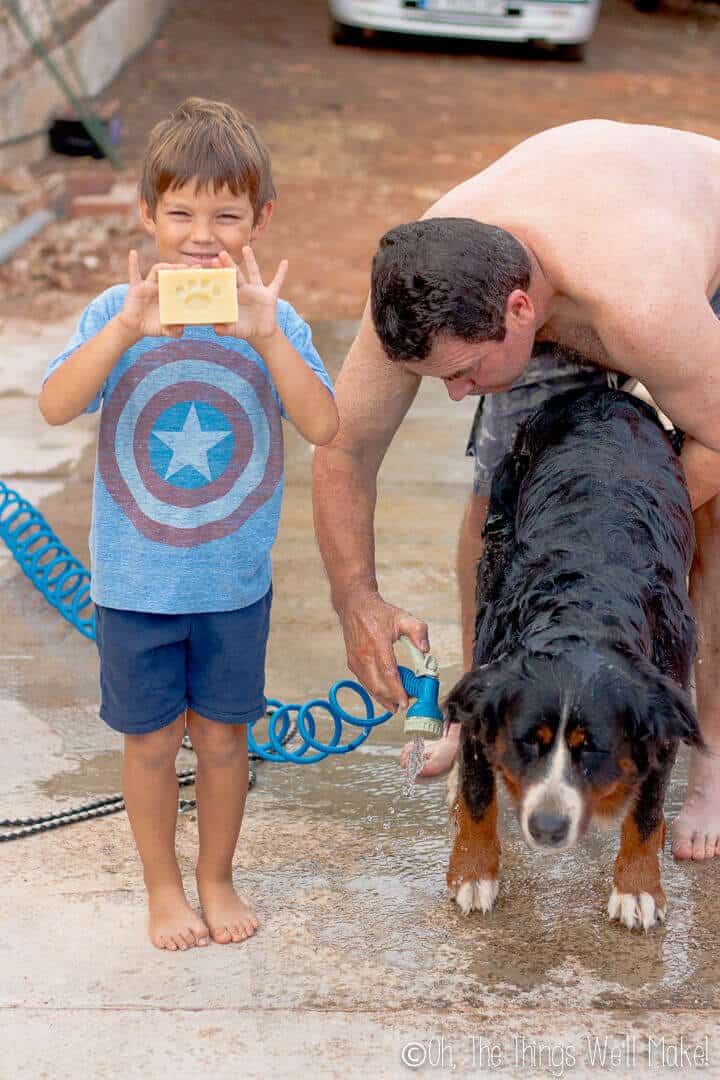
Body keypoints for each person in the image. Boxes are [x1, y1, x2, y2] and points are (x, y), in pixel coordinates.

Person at [311, 119, 720, 862]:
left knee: (706, 534)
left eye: (466, 372)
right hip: (567, 250)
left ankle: (714, 761)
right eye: (440, 376)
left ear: (520, 312)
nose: (456, 396)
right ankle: (488, 707)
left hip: (688, 247)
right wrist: (355, 599)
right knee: (501, 503)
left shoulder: (645, 307)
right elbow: (344, 447)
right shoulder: (422, 284)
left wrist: (613, 534)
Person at [39, 97, 338, 951]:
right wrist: (128, 327)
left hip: (232, 582)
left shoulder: (277, 324)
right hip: (135, 579)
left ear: (261, 220)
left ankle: (217, 876)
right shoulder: (113, 311)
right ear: (146, 214)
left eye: (227, 215)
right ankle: (162, 888)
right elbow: (58, 404)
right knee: (147, 742)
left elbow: (323, 426)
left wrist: (271, 338)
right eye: (179, 213)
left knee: (222, 739)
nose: (201, 235)